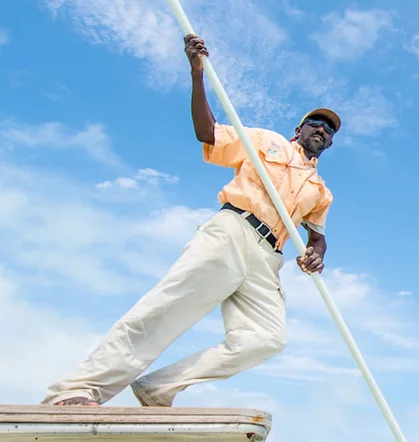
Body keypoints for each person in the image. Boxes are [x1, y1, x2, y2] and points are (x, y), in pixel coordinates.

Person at [41, 33, 340, 407]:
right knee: (168, 308)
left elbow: (317, 237)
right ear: (300, 129)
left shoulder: (321, 190)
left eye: (328, 131)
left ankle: (157, 389)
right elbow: (207, 133)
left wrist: (316, 254)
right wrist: (197, 75)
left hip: (268, 260)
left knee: (266, 338)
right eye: (315, 123)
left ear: (328, 144)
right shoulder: (265, 141)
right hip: (233, 231)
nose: (321, 130)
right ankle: (78, 390)